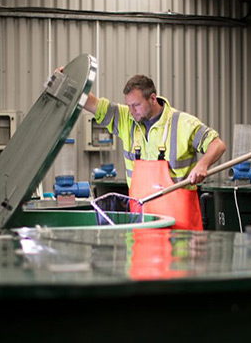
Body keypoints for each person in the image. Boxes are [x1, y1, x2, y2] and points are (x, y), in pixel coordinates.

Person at [58, 68, 226, 230]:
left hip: (180, 229)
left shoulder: (184, 123)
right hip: (142, 224)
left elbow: (217, 145)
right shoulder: (126, 120)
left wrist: (203, 164)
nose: (131, 111)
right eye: (128, 105)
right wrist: (69, 82)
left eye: (136, 105)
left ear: (153, 98)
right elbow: (93, 104)